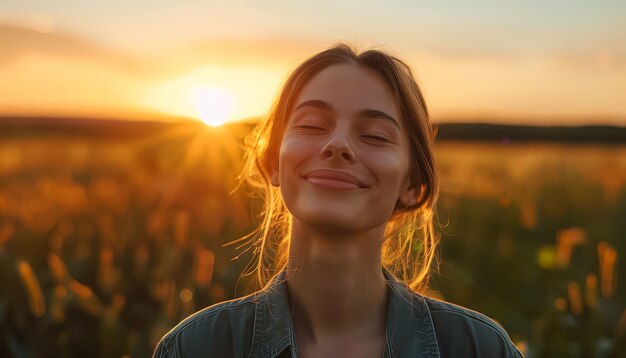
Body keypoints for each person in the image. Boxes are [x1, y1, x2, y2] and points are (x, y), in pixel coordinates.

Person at [153, 43, 524, 358]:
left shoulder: (478, 348)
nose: (337, 145)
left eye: (376, 136)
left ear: (413, 184)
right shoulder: (198, 346)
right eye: (313, 125)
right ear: (273, 163)